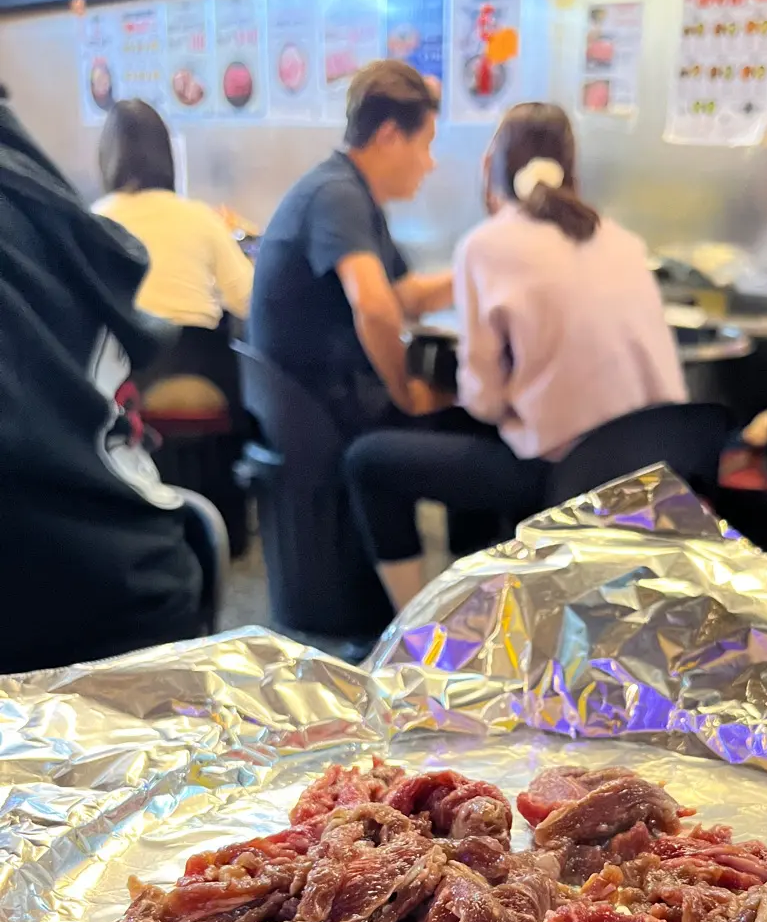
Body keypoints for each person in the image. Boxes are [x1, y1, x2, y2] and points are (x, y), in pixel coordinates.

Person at [343, 101, 687, 610]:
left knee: (367, 461)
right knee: (480, 443)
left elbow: (483, 403)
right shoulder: (624, 242)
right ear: (572, 166)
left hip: (567, 476)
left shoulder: (484, 246)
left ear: (492, 167)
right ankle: (488, 606)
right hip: (651, 468)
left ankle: (414, 626)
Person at [0, 88, 202, 674]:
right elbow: (246, 295)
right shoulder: (33, 183)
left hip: (59, 637)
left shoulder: (98, 206)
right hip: (144, 572)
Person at [249, 59, 452, 435]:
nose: (431, 164)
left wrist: (482, 271)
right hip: (323, 420)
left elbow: (408, 297)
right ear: (389, 137)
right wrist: (408, 395)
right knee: (479, 425)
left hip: (325, 407)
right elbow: (373, 308)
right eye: (426, 145)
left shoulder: (350, 192)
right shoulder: (338, 196)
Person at [94, 100, 253, 412]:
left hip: (125, 387)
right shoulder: (199, 216)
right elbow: (248, 300)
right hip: (204, 379)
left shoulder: (95, 220)